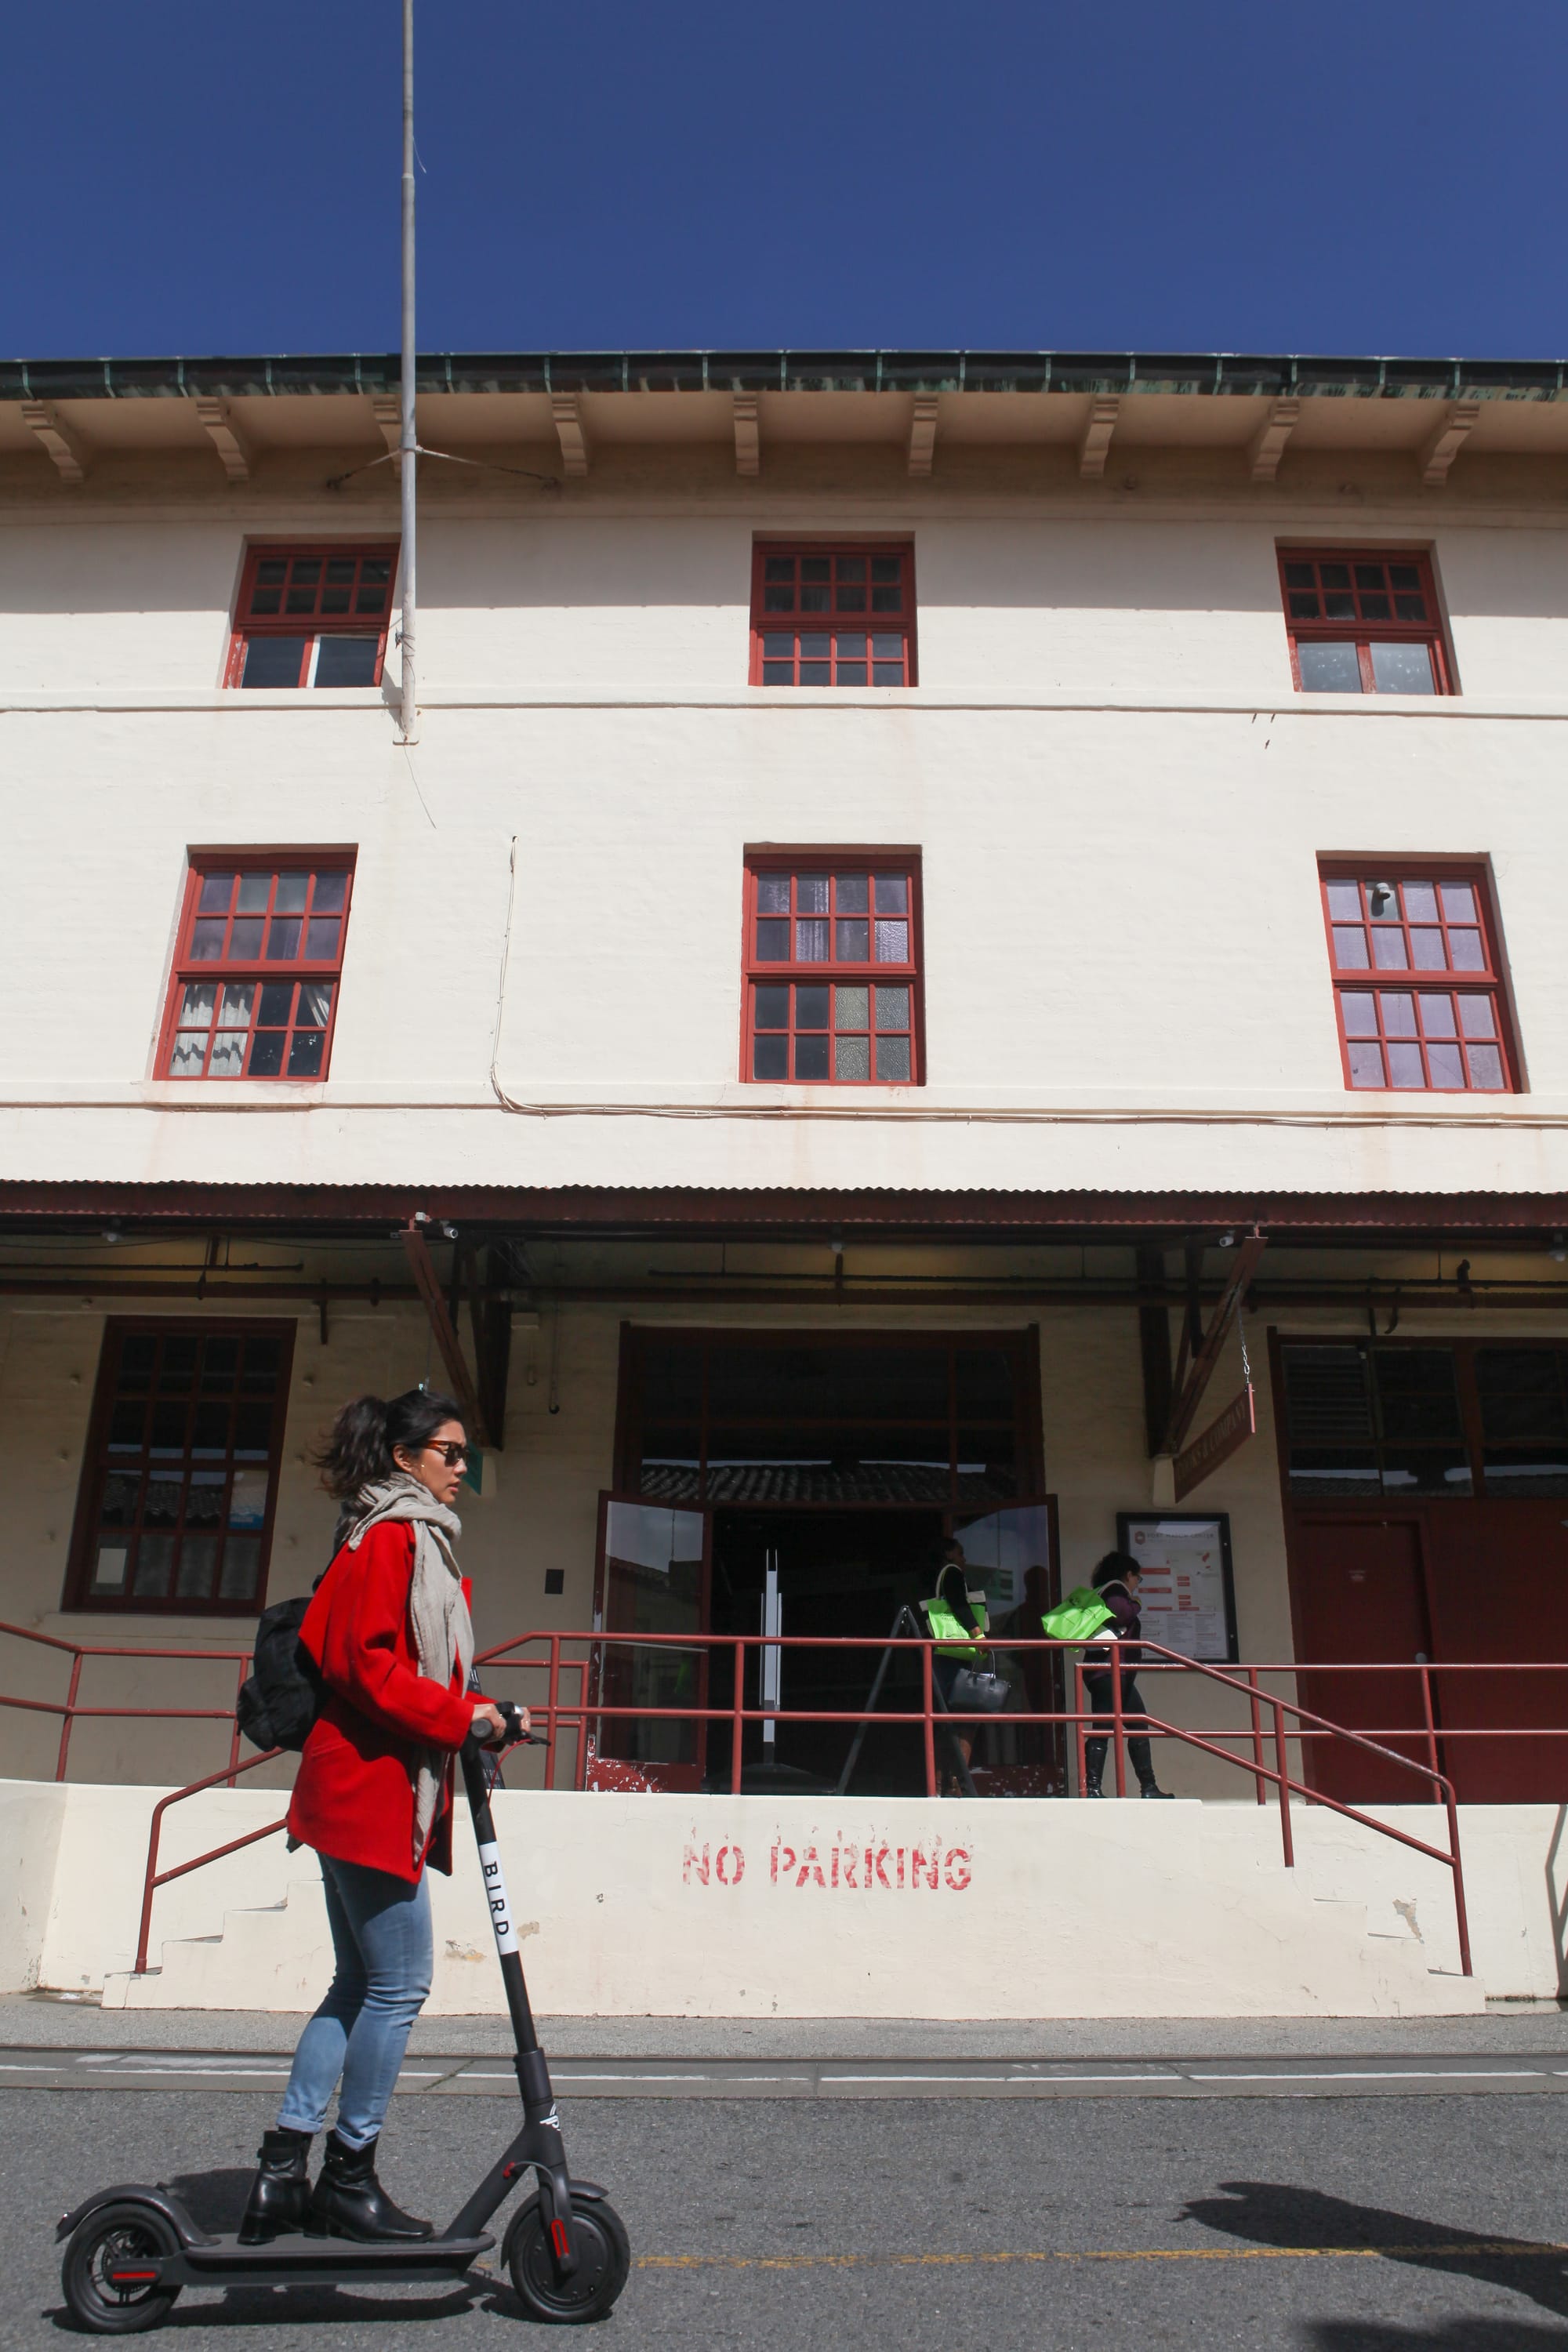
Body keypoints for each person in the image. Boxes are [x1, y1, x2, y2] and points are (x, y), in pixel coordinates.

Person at [238, 1389, 523, 2247]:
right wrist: (455, 1718)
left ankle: (282, 2172)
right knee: (398, 1985)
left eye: (464, 1454)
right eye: (449, 1452)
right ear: (405, 1458)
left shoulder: (405, 1537)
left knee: (357, 1984)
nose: (461, 1468)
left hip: (361, 1786)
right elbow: (363, 1666)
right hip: (365, 1789)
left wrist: (476, 1707)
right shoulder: (389, 1536)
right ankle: (347, 2180)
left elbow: (405, 1663)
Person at [1080, 1549, 1174, 1800]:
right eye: (1137, 1579)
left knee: (1137, 1724)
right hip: (1107, 1673)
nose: (1137, 1584)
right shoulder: (1114, 1591)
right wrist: (1136, 1603)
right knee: (1103, 1726)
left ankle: (1149, 1787)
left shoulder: (1107, 1590)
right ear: (1128, 1574)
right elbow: (1123, 1613)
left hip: (1115, 1674)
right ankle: (1092, 1788)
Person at [920, 1534, 990, 1794]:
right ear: (949, 1554)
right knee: (967, 1718)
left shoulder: (931, 1576)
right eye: (960, 1553)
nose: (964, 1558)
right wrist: (977, 1633)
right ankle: (959, 1785)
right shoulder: (951, 1573)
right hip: (955, 1655)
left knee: (946, 1720)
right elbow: (959, 1603)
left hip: (942, 1655)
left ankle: (939, 1785)